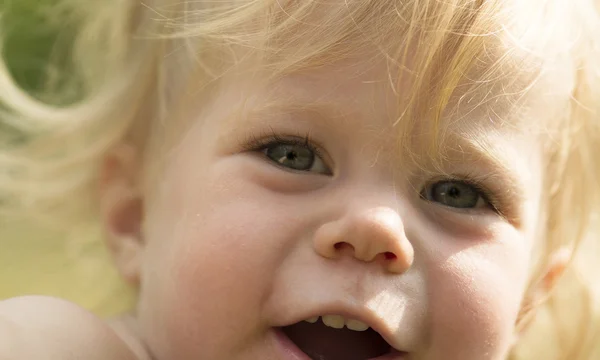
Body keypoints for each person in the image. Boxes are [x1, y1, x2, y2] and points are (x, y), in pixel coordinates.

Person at [1, 0, 599, 359]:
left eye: (457, 194)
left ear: (527, 301)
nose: (374, 228)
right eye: (292, 155)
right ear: (135, 216)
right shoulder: (54, 343)